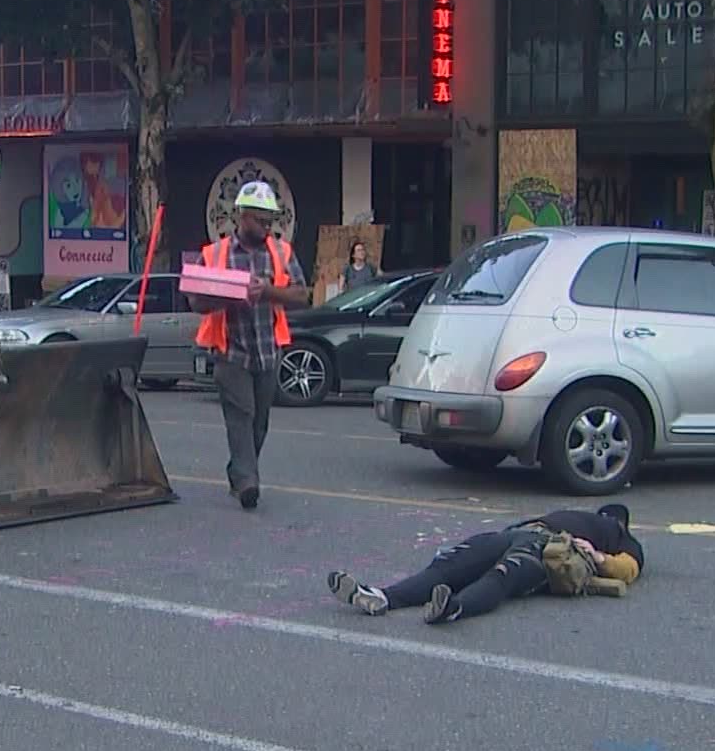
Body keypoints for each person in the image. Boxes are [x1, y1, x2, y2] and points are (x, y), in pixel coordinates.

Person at [188, 181, 311, 509]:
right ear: (240, 216)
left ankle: (239, 469)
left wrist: (267, 292)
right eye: (260, 220)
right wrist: (227, 294)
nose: (267, 227)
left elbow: (302, 296)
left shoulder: (281, 252)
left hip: (269, 351)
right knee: (240, 415)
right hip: (231, 351)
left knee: (259, 421)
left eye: (270, 220)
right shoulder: (215, 255)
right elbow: (196, 302)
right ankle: (247, 483)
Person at [327, 504, 645, 624]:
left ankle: (454, 608)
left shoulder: (621, 536)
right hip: (518, 533)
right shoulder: (584, 517)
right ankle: (381, 596)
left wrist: (598, 556)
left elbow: (628, 569)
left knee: (502, 577)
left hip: (549, 550)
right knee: (449, 566)